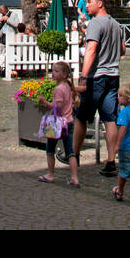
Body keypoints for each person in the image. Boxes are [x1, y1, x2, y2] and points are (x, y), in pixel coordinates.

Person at [72, 0, 126, 177]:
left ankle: (74, 155)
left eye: (89, 1)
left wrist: (83, 76)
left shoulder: (95, 24)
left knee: (81, 116)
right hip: (114, 75)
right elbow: (123, 50)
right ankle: (111, 161)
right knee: (110, 119)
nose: (86, 6)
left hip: (97, 77)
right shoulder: (117, 24)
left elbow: (91, 50)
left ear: (100, 3)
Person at [36, 60, 80, 188]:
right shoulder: (67, 86)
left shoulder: (59, 89)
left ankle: (50, 174)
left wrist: (44, 102)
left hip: (58, 123)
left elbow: (57, 108)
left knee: (50, 149)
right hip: (69, 121)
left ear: (64, 74)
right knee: (70, 152)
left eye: (56, 71)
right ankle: (74, 178)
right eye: (52, 70)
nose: (53, 73)